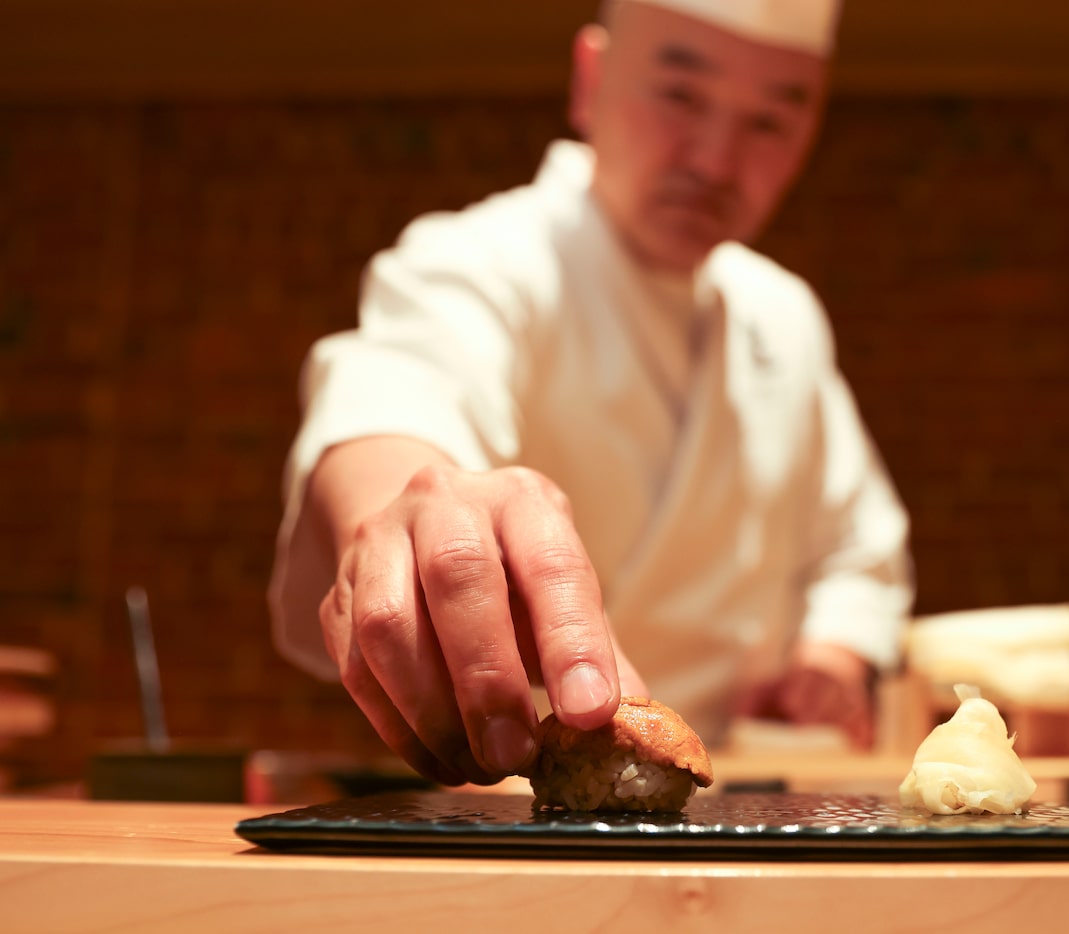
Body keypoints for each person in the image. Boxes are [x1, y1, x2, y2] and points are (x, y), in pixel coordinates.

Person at [268, 0, 914, 788]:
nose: (715, 161)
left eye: (772, 123)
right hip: (507, 794)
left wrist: (830, 656)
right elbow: (395, 401)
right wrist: (402, 512)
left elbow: (858, 546)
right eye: (681, 95)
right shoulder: (482, 261)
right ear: (592, 78)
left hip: (738, 801)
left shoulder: (784, 318)